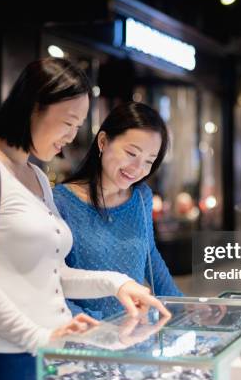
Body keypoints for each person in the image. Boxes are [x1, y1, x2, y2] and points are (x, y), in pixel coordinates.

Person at [0, 58, 169, 380]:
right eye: (68, 122)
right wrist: (36, 337)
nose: (72, 136)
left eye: (78, 125)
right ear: (34, 107)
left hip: (52, 349)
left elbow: (53, 273)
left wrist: (117, 283)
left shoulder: (36, 176)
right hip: (6, 354)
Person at [53, 102, 182, 320]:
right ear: (103, 142)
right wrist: (89, 327)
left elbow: (150, 257)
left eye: (149, 161)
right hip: (85, 339)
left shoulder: (141, 197)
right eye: (132, 153)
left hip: (136, 333)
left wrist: (183, 305)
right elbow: (54, 281)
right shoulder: (61, 201)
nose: (137, 168)